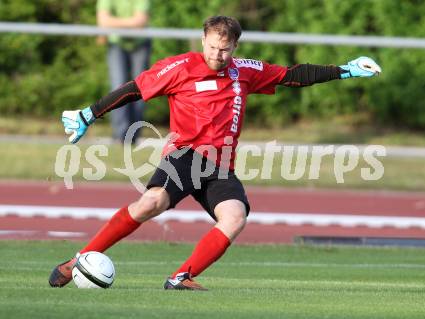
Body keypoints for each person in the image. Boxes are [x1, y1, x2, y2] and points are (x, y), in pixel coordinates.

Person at [50, 16, 381, 290]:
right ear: (203, 39)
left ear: (234, 46)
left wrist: (345, 70)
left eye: (224, 50)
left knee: (235, 217)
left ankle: (182, 277)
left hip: (221, 166)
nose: (216, 55)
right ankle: (79, 259)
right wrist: (90, 113)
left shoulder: (244, 70)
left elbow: (293, 76)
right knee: (151, 203)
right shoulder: (179, 67)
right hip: (185, 156)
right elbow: (135, 89)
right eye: (211, 47)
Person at [97, 0, 151, 144]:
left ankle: (134, 135)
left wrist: (113, 23)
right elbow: (102, 19)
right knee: (118, 88)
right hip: (116, 44)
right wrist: (131, 23)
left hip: (140, 44)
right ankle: (120, 136)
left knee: (141, 89)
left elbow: (141, 20)